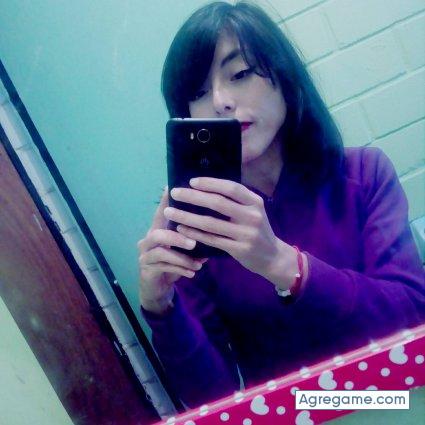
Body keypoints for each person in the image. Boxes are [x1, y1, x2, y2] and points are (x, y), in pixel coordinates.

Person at [137, 1, 425, 409]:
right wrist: (161, 309)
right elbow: (214, 401)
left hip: (396, 405)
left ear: (283, 76)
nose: (220, 101)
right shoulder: (196, 225)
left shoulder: (364, 174)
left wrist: (284, 264)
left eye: (240, 74)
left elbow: (413, 321)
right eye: (197, 92)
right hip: (291, 417)